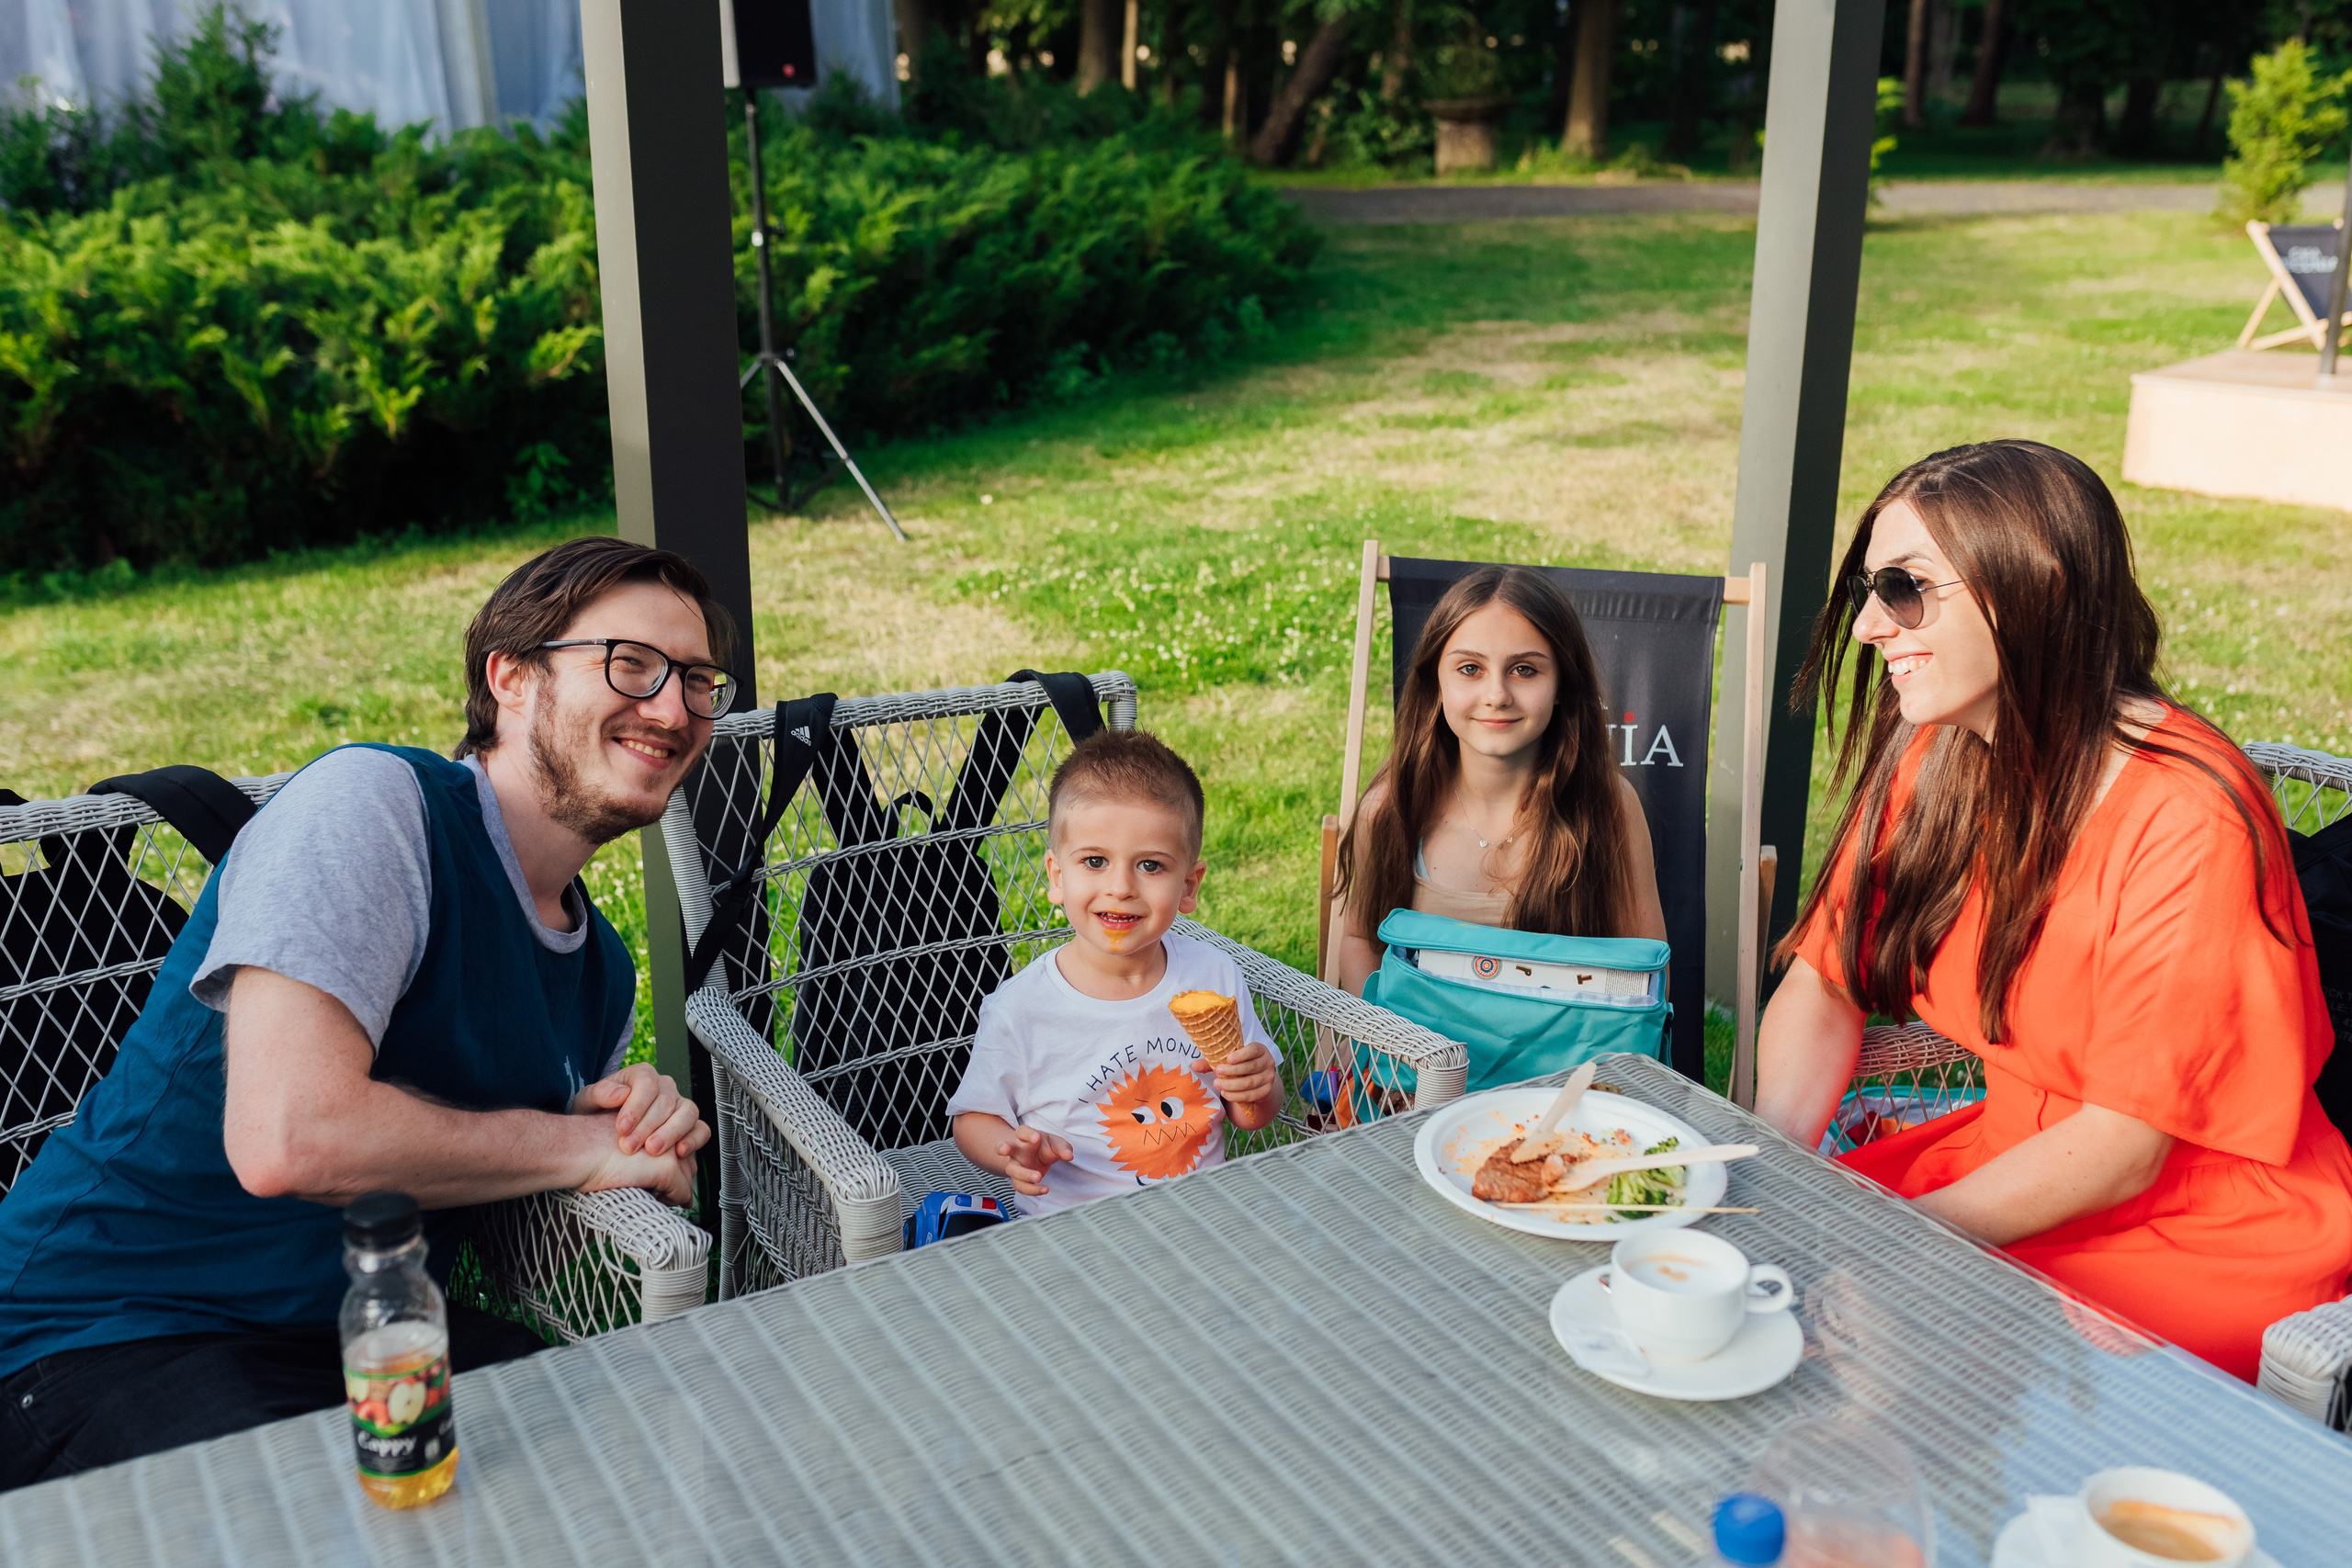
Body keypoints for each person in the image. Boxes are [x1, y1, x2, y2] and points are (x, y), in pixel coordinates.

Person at [0, 537, 729, 1488]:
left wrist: (625, 1128)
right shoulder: (374, 807)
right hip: (111, 1330)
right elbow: (289, 1138)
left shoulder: (598, 968)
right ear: (509, 677)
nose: (673, 709)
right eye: (630, 665)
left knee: (666, 1455)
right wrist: (574, 1150)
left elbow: (529, 1251)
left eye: (700, 681)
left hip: (367, 1332)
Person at [1754, 439, 2352, 1382]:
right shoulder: (1938, 749)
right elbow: (1824, 979)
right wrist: (1766, 1175)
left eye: (1905, 588)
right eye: (1868, 589)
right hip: (2007, 1173)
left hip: (2188, 1232)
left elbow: (2123, 1149)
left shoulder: (2187, 814)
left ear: (2034, 587)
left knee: (1818, 1343)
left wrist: (1891, 1245)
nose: (1870, 624)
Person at [948, 729, 1283, 1214]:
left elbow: (1252, 1115)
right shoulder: (1021, 1009)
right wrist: (1012, 1151)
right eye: (1095, 861)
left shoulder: (1213, 975)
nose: (1121, 887)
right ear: (1058, 877)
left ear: (1189, 887)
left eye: (1150, 865)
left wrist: (1260, 1087)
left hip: (1200, 1216)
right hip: (1075, 1230)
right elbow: (973, 1118)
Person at [1332, 564, 1667, 992]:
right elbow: (1359, 940)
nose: (1496, 695)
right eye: (1470, 668)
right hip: (1417, 1054)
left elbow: (1646, 969)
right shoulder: (1393, 807)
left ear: (1563, 683)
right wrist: (1388, 1033)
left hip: (1566, 1058)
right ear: (1436, 680)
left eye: (1524, 670)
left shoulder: (1606, 806)